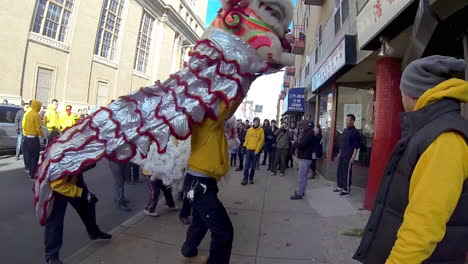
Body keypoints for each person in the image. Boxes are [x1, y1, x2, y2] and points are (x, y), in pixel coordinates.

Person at [354, 56, 468, 264]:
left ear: (413, 93)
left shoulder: (444, 138)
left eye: (401, 92)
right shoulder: (429, 131)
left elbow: (422, 228)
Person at [44, 164, 111, 264]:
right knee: (55, 220)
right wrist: (81, 193)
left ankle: (94, 232)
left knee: (88, 203)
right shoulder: (59, 160)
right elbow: (57, 185)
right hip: (56, 184)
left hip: (73, 175)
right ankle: (52, 256)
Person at [334, 114, 361, 196]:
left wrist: (353, 157)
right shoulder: (345, 130)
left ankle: (346, 189)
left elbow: (356, 147)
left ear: (352, 121)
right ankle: (340, 186)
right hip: (342, 154)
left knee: (347, 172)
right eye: (346, 120)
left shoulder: (355, 132)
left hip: (349, 155)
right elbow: (343, 143)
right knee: (340, 170)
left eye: (348, 120)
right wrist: (339, 153)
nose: (346, 121)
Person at [290, 120, 316, 200]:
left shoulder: (309, 133)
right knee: (302, 176)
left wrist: (294, 143)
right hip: (304, 157)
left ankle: (299, 194)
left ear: (304, 126)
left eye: (301, 127)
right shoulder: (307, 132)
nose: (300, 129)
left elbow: (302, 145)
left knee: (302, 177)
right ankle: (301, 191)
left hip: (305, 157)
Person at [22, 99, 44, 179]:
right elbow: (38, 128)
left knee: (28, 154)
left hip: (27, 137)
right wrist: (42, 136)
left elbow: (23, 125)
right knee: (35, 156)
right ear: (37, 106)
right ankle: (32, 174)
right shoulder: (36, 115)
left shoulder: (27, 114)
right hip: (34, 138)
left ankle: (28, 168)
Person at [241, 117, 264, 185]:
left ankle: (251, 178)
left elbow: (261, 141)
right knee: (247, 165)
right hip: (248, 149)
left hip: (255, 151)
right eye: (255, 122)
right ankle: (245, 178)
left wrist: (257, 150)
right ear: (253, 122)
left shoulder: (261, 130)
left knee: (253, 166)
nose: (256, 123)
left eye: (257, 122)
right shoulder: (250, 129)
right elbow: (247, 138)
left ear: (259, 123)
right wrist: (245, 146)